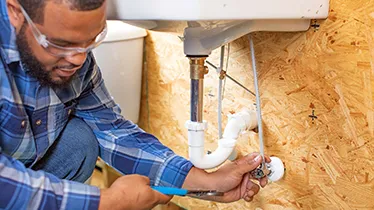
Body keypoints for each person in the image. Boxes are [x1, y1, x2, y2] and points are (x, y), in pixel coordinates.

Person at [0, 0, 270, 209]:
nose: (78, 60)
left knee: (79, 142)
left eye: (90, 42)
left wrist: (206, 184)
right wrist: (107, 202)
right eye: (61, 44)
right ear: (15, 11)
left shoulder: (73, 59)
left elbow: (111, 131)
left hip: (21, 163)